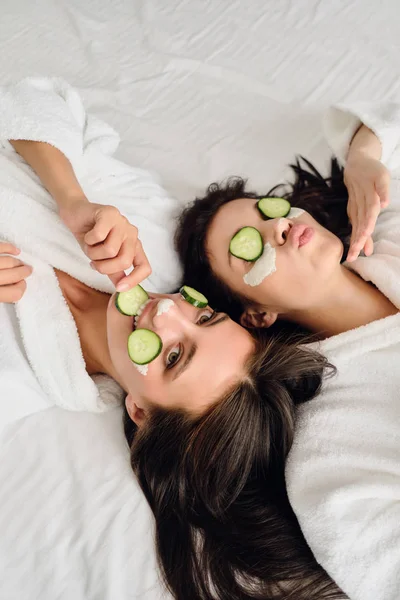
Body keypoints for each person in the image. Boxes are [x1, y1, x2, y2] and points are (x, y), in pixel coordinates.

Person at [0, 79, 343, 599]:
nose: (166, 313)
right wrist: (73, 198)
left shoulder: (16, 381)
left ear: (140, 411)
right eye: (203, 319)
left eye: (175, 356)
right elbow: (37, 97)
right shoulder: (152, 236)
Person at [176, 103, 400, 599]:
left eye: (268, 210)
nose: (274, 228)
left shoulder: (390, 225)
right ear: (257, 314)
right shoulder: (329, 439)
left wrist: (363, 156)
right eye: (247, 246)